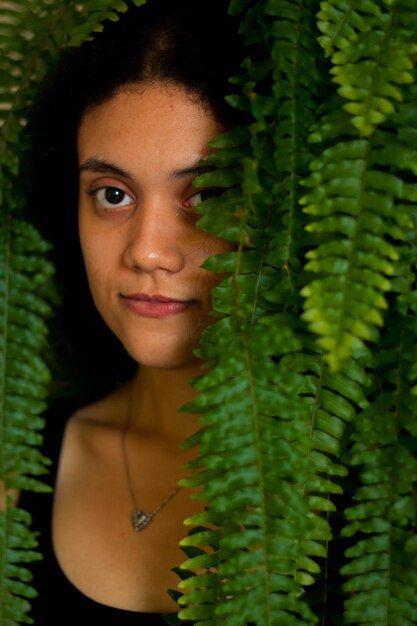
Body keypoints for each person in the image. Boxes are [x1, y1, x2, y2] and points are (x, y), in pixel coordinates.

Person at [10, 0, 249, 623]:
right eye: (112, 195)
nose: (146, 251)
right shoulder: (15, 464)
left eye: (209, 195)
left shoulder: (384, 501)